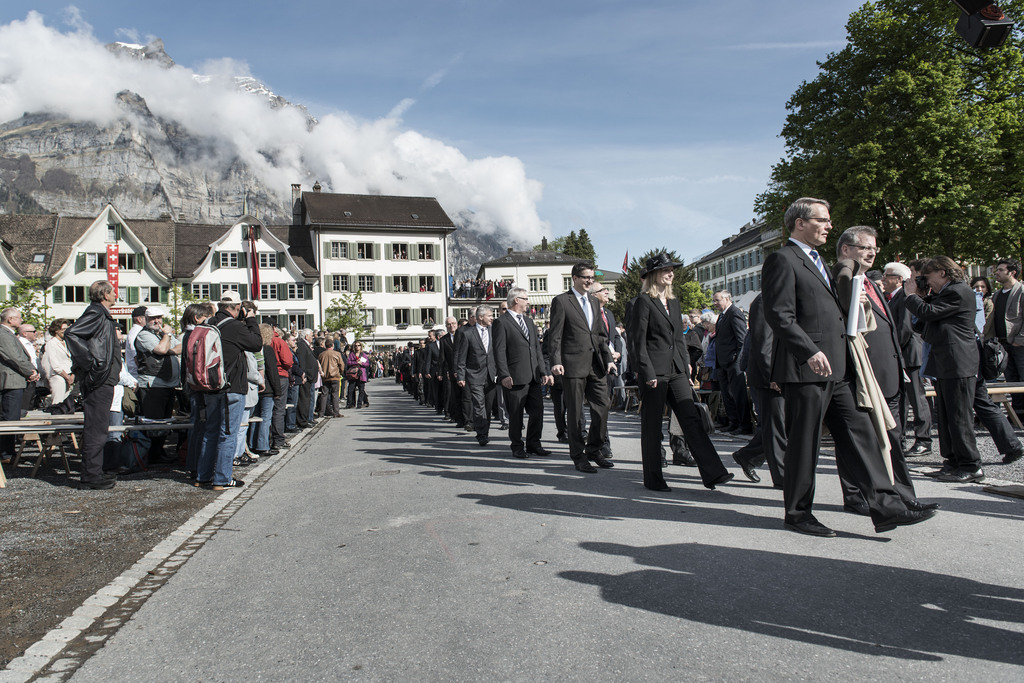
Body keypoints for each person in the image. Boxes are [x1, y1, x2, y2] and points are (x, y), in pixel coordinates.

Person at [761, 197, 936, 537]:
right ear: (800, 223)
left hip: (838, 367)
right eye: (822, 220)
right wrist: (808, 350)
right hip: (807, 367)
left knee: (862, 434)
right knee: (804, 442)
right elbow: (779, 315)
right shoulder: (783, 259)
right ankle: (798, 513)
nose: (829, 226)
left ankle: (886, 506)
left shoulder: (820, 262)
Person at [834, 226, 936, 515]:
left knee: (893, 438)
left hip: (889, 373)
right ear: (846, 250)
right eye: (865, 247)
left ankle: (904, 497)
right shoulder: (844, 281)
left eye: (874, 248)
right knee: (859, 441)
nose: (872, 252)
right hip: (865, 374)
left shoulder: (868, 283)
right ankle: (857, 496)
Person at [626, 253, 733, 491]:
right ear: (653, 275)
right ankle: (653, 479)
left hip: (676, 369)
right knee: (652, 425)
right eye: (665, 270)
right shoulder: (643, 301)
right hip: (654, 371)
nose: (670, 273)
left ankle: (713, 472)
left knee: (691, 418)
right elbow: (637, 342)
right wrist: (647, 372)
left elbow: (678, 338)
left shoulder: (673, 302)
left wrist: (686, 364)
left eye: (672, 269)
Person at [904, 257, 985, 482]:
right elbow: (922, 322)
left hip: (958, 362)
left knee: (959, 416)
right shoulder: (944, 294)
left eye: (926, 277)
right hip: (946, 362)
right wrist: (919, 298)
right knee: (947, 417)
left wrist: (911, 296)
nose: (924, 282)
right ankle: (953, 461)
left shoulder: (959, 291)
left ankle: (971, 465)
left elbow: (928, 313)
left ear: (942, 273)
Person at [547, 262, 615, 473]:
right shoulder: (561, 301)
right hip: (573, 365)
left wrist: (609, 358)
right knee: (575, 413)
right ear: (574, 278)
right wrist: (556, 361)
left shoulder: (594, 302)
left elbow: (600, 335)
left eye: (591, 278)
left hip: (596, 364)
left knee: (602, 407)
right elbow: (555, 335)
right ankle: (578, 456)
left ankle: (594, 449)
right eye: (586, 277)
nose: (589, 281)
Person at [195, 292, 262, 490]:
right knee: (228, 434)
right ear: (237, 307)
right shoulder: (234, 327)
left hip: (210, 386)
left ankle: (203, 476)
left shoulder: (208, 323)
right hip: (230, 387)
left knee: (210, 432)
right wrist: (250, 319)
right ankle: (222, 479)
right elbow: (256, 343)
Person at [64, 281, 120, 489]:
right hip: (99, 378)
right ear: (105, 294)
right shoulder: (97, 313)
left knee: (98, 427)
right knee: (96, 429)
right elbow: (72, 333)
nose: (116, 295)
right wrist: (92, 364)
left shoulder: (100, 314)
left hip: (102, 377)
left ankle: (94, 472)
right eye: (113, 292)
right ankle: (91, 476)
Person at [730, 293, 786, 488]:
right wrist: (772, 374)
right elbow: (763, 342)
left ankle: (748, 455)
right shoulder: (765, 301)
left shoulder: (785, 297)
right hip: (769, 376)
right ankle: (782, 477)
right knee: (776, 427)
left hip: (784, 373)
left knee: (780, 425)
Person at [493, 288, 553, 458]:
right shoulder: (502, 322)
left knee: (537, 412)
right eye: (525, 299)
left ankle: (534, 443)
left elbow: (536, 349)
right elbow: (499, 351)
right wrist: (504, 374)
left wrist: (544, 371)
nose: (528, 302)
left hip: (533, 376)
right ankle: (517, 446)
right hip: (515, 377)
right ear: (516, 300)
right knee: (516, 415)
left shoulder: (529, 322)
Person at [985, 258, 1024, 419]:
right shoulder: (997, 294)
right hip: (1002, 344)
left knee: (1022, 379)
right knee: (1011, 379)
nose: (997, 273)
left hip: (1019, 344)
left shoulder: (1021, 291)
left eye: (1000, 270)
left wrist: (1019, 339)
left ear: (1012, 272)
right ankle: (1018, 414)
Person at [455, 304, 498, 446]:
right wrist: (461, 376)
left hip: (491, 375)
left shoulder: (494, 331)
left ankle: (485, 430)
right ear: (481, 317)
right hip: (474, 375)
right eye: (490, 315)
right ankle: (482, 434)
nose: (492, 318)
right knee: (479, 405)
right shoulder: (468, 334)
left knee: (488, 406)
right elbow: (461, 357)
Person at [0, 308, 39, 462]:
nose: (21, 320)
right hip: (10, 381)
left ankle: (8, 452)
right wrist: (30, 371)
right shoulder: (4, 334)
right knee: (10, 418)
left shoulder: (7, 334)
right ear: (10, 319)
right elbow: (14, 356)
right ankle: (6, 454)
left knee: (11, 417)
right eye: (19, 317)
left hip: (13, 380)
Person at [712, 290, 751, 434]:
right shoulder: (722, 316)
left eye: (717, 300)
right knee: (727, 394)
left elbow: (741, 338)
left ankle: (744, 424)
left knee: (738, 394)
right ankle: (733, 421)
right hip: (722, 362)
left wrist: (737, 359)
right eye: (714, 301)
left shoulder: (734, 313)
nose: (715, 303)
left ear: (727, 298)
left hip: (733, 362)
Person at [43, 318, 75, 414]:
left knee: (68, 404)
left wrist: (72, 375)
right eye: (64, 329)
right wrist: (67, 377)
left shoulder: (67, 342)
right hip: (58, 376)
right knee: (58, 403)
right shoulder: (51, 344)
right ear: (57, 330)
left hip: (70, 375)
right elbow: (55, 364)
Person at [295, 329, 320, 428]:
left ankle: (306, 419)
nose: (312, 338)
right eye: (311, 336)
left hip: (310, 377)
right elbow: (302, 361)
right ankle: (303, 420)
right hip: (306, 377)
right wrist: (304, 374)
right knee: (304, 400)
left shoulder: (305, 345)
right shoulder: (301, 345)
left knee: (307, 399)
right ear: (306, 336)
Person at [318, 340, 345, 418]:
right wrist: (340, 372)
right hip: (335, 376)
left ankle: (321, 412)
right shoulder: (337, 354)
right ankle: (336, 412)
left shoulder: (321, 354)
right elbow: (341, 365)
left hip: (325, 376)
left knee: (324, 394)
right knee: (335, 395)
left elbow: (319, 364)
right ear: (332, 345)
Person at [346, 342, 370, 408]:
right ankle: (350, 403)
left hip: (361, 374)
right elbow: (348, 362)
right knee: (351, 389)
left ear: (360, 346)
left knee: (361, 389)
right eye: (356, 345)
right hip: (353, 373)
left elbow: (367, 364)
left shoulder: (363, 355)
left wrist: (361, 363)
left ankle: (359, 403)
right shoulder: (352, 354)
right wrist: (355, 362)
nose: (357, 347)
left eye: (358, 345)